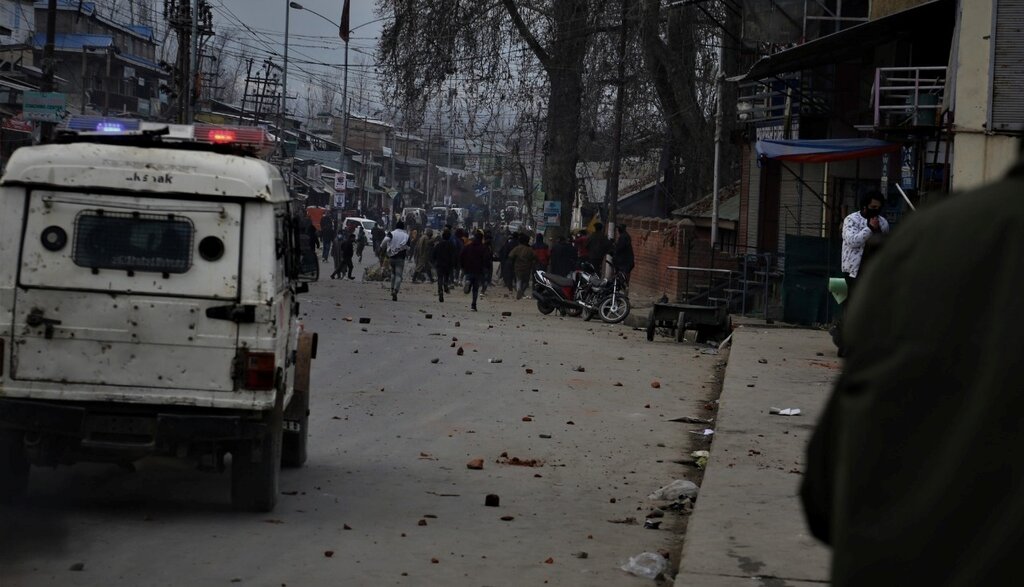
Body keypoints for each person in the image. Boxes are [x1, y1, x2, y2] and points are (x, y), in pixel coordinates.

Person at [801, 151, 1024, 587]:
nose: (875, 210)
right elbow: (853, 242)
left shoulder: (927, 239)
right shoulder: (872, 227)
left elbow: (826, 491)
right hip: (854, 271)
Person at [459, 232, 490, 311]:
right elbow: (486, 259)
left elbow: (461, 255)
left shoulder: (468, 247)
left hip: (468, 268)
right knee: (475, 289)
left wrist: (462, 266)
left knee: (469, 278)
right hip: (478, 270)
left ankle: (468, 281)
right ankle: (473, 305)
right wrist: (485, 268)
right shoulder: (483, 248)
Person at [381, 220, 410, 301]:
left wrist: (382, 247)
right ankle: (395, 291)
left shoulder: (391, 233)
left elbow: (385, 241)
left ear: (396, 226)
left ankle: (392, 288)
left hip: (391, 257)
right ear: (403, 227)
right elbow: (408, 247)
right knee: (399, 275)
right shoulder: (406, 236)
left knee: (393, 273)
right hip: (400, 259)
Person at [507, 233, 537, 300]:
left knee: (519, 280)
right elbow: (535, 257)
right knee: (525, 282)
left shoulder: (517, 248)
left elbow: (510, 256)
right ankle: (522, 291)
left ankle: (519, 290)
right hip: (527, 267)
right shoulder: (530, 249)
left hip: (518, 267)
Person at [432, 228, 457, 302]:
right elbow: (454, 255)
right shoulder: (451, 245)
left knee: (440, 278)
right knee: (446, 276)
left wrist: (434, 262)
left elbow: (433, 255)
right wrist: (454, 264)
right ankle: (445, 285)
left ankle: (440, 290)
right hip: (448, 264)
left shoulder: (438, 245)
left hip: (439, 264)